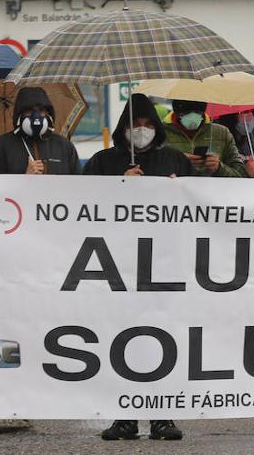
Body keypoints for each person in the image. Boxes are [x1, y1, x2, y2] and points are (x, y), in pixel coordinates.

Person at [83, 92, 191, 441]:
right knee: (121, 340)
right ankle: (124, 417)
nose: (141, 131)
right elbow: (79, 204)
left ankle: (163, 417)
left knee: (164, 340)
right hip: (119, 266)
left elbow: (203, 208)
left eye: (147, 124)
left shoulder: (175, 159)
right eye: (135, 125)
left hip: (165, 265)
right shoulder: (102, 161)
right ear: (123, 129)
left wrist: (182, 191)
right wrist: (120, 185)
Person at [0, 87, 79, 175]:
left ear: (48, 114)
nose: (36, 117)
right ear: (19, 115)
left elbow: (79, 185)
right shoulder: (0, 147)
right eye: (29, 111)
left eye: (41, 110)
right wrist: (25, 179)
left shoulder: (64, 146)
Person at [161, 99, 246, 178]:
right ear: (177, 113)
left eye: (197, 112)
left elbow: (240, 174)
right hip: (175, 191)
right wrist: (177, 160)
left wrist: (219, 168)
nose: (192, 118)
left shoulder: (221, 133)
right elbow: (150, 168)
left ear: (203, 112)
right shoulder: (161, 133)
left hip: (213, 192)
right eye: (186, 113)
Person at [215, 110, 254, 178]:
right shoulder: (220, 138)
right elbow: (217, 173)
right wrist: (244, 173)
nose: (249, 116)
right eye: (244, 112)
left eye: (251, 111)